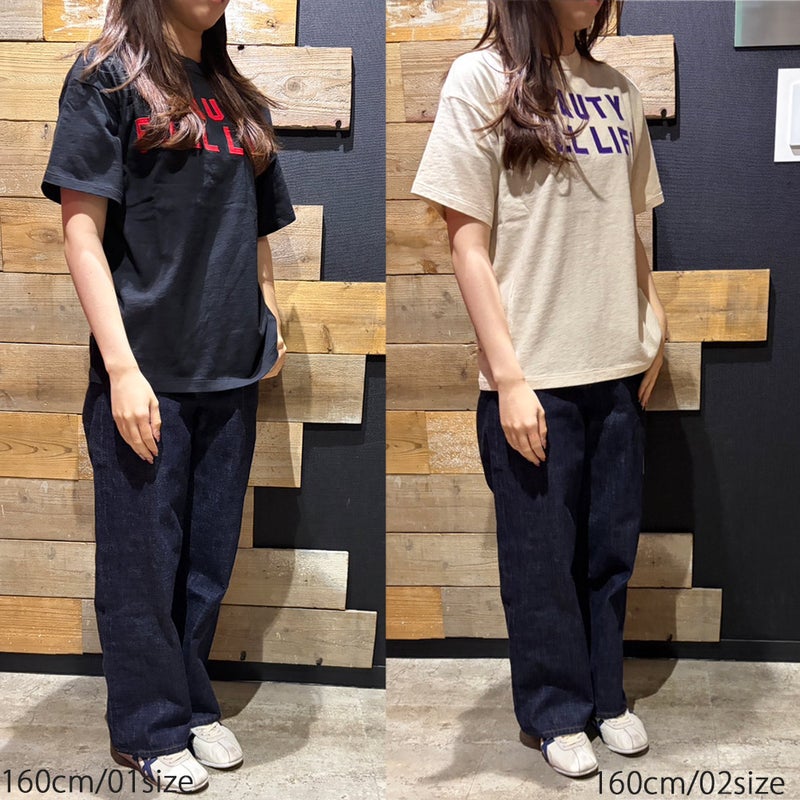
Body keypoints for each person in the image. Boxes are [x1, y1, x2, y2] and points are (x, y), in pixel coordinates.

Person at [41, 0, 295, 791]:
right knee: (142, 567)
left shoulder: (235, 96)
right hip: (148, 372)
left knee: (205, 563)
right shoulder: (106, 77)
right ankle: (148, 731)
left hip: (231, 368)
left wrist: (268, 313)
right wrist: (120, 369)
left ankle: (188, 703)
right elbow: (81, 230)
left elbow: (255, 223)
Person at [411, 0, 667, 780]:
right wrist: (509, 377)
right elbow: (467, 243)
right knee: (540, 561)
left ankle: (606, 696)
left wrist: (653, 320)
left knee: (609, 552)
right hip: (535, 378)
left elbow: (628, 225)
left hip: (616, 368)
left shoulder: (617, 90)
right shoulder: (479, 80)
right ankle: (555, 711)